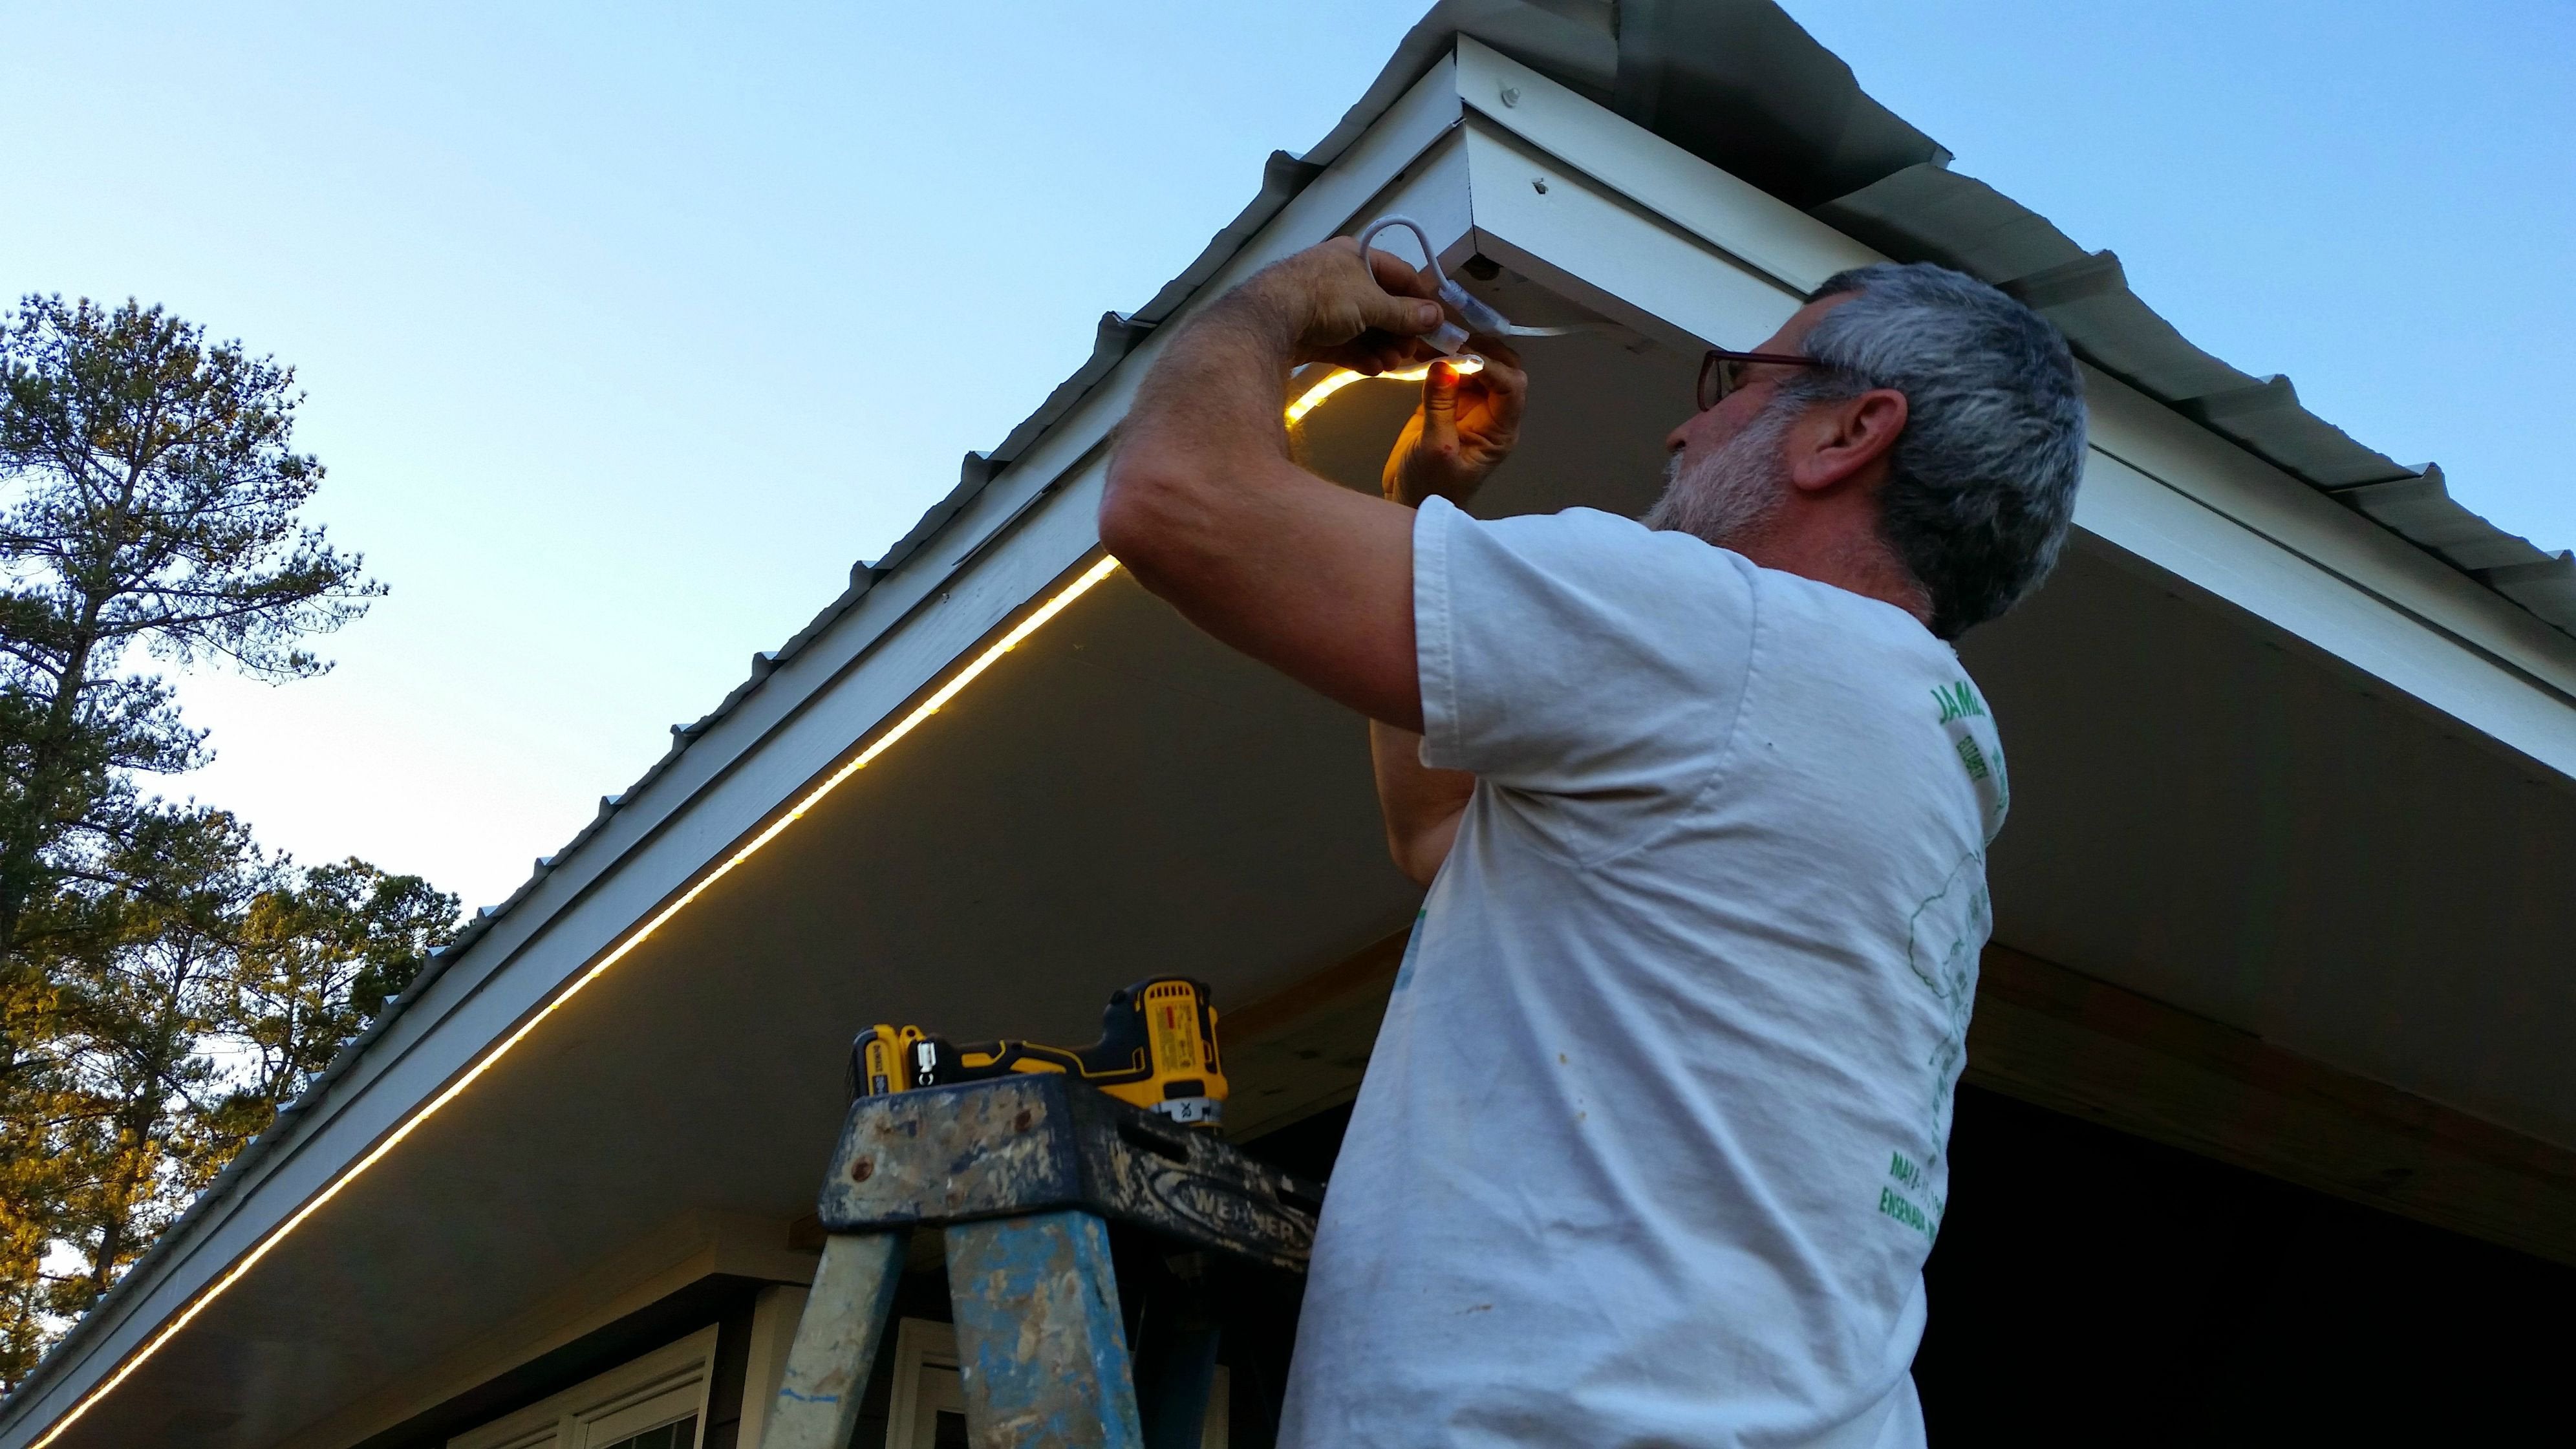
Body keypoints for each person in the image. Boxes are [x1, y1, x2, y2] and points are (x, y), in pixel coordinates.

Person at [1099, 237, 2085, 1448]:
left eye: (1736, 383)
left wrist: (1280, 304)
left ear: (1848, 435)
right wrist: (1424, 504)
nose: (1684, 430)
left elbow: (1171, 497)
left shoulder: (1724, 629)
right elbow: (1438, 833)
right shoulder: (1915, 742)